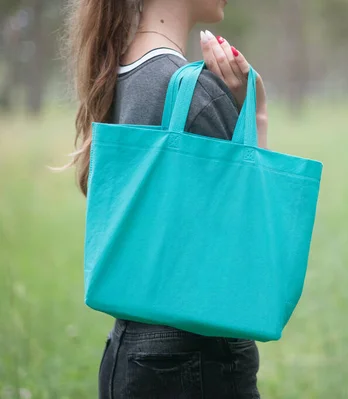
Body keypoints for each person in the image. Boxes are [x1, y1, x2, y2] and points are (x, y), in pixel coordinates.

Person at [66, 0, 267, 397]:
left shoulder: (119, 73)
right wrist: (255, 114)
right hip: (196, 356)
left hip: (128, 350)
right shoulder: (195, 94)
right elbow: (249, 243)